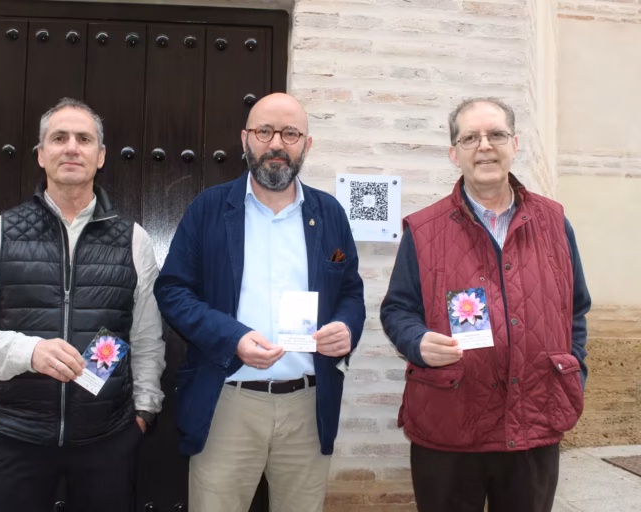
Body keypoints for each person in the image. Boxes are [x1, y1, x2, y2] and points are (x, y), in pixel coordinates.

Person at [0, 98, 165, 512]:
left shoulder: (134, 240)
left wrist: (144, 410)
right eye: (58, 138)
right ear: (41, 154)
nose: (71, 147)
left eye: (84, 139)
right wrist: (30, 352)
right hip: (17, 437)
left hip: (108, 439)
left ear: (100, 157)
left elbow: (146, 335)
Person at [153, 93, 365, 512]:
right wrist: (233, 338)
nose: (276, 143)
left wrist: (346, 327)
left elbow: (350, 292)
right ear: (244, 139)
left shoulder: (331, 214)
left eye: (290, 133)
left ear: (307, 144)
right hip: (227, 400)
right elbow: (172, 290)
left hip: (309, 403)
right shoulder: (208, 209)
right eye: (264, 131)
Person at [380, 97, 592, 512]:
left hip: (534, 423)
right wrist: (417, 341)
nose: (485, 146)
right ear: (453, 153)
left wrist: (572, 373)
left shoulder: (554, 223)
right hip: (450, 426)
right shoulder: (423, 230)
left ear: (515, 143)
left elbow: (576, 310)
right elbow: (397, 310)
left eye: (496, 135)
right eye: (470, 137)